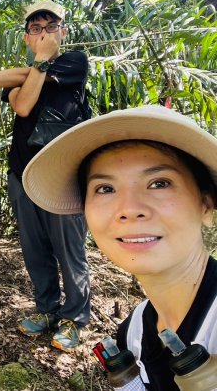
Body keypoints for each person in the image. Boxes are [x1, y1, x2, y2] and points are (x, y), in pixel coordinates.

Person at [22, 105, 217, 390]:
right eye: (105, 188)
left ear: (207, 204)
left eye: (159, 183)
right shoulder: (134, 332)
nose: (129, 209)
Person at [0, 0, 91, 351]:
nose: (43, 35)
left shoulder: (76, 62)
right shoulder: (22, 76)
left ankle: (74, 318)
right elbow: (23, 95)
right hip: (22, 173)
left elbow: (25, 90)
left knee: (69, 249)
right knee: (34, 248)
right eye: (36, 30)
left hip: (64, 175)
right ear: (26, 38)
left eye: (50, 28)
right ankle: (46, 310)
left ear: (63, 33)